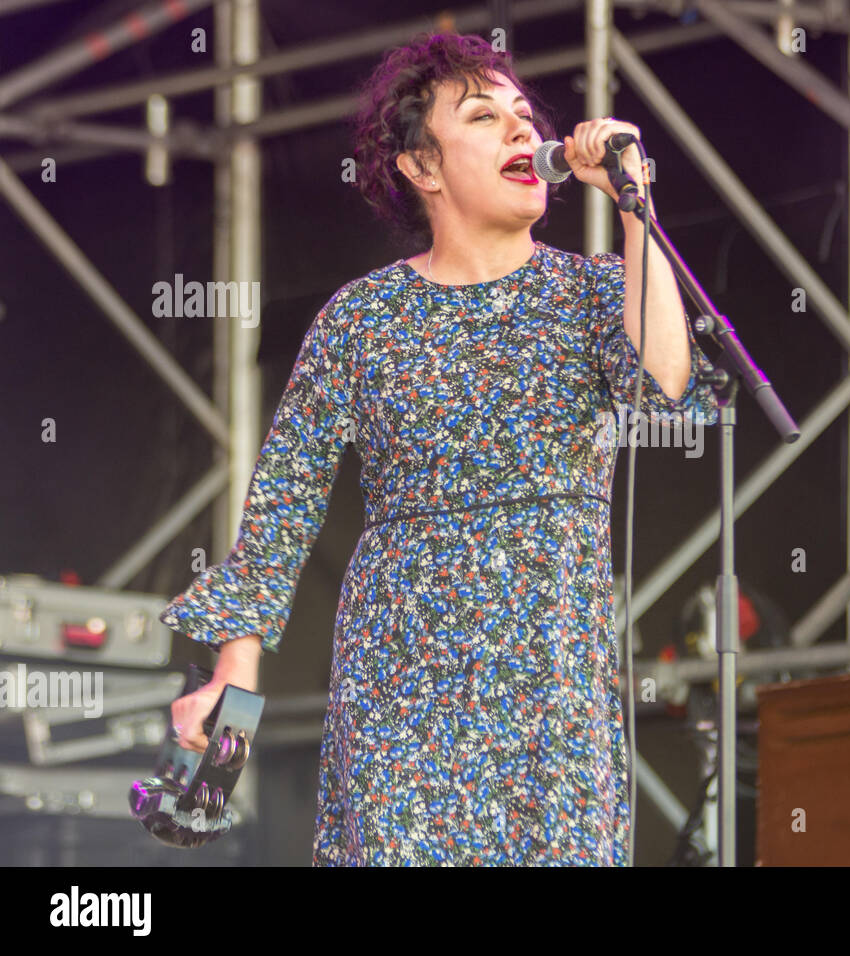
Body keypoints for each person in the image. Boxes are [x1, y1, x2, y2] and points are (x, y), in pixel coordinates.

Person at [159, 31, 718, 866]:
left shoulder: (593, 290)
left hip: (550, 677)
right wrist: (230, 684)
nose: (523, 133)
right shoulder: (361, 320)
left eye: (527, 118)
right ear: (422, 168)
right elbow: (281, 505)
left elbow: (667, 380)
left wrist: (636, 209)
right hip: (401, 676)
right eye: (487, 118)